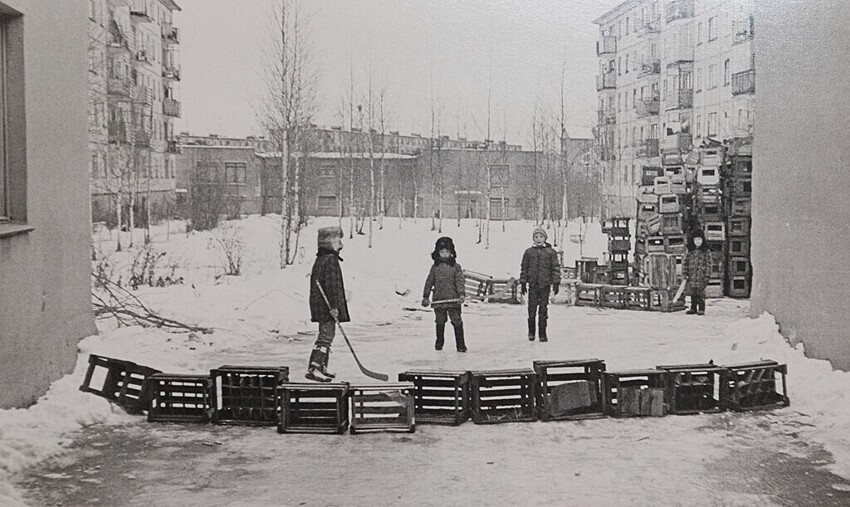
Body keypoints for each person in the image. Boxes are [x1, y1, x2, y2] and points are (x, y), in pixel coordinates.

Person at [306, 226, 348, 382]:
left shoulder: (322, 258)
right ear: (331, 241)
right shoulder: (330, 259)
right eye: (338, 239)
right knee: (325, 337)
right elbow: (332, 285)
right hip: (326, 305)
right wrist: (334, 306)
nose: (341, 243)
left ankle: (322, 366)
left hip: (321, 304)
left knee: (327, 335)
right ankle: (315, 368)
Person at [421, 237, 467, 352]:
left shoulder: (456, 267)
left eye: (447, 252)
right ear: (438, 253)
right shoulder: (435, 267)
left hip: (453, 300)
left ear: (451, 252)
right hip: (439, 300)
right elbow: (429, 281)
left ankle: (460, 345)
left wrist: (461, 294)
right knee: (440, 321)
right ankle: (439, 342)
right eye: (442, 252)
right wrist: (425, 296)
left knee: (456, 321)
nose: (445, 254)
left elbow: (460, 281)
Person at [520, 226, 561, 342]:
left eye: (541, 236)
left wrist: (556, 282)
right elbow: (524, 268)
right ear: (533, 238)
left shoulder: (550, 252)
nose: (538, 239)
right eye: (536, 237)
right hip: (533, 285)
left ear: (545, 238)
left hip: (544, 285)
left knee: (543, 310)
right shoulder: (528, 252)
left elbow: (555, 268)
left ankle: (542, 334)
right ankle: (531, 332)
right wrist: (523, 282)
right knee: (531, 310)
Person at [683, 228, 710, 315]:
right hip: (692, 276)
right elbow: (686, 262)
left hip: (701, 276)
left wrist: (707, 276)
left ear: (702, 240)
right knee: (693, 292)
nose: (697, 241)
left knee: (700, 293)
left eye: (699, 239)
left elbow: (708, 264)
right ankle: (693, 308)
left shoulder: (705, 251)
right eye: (695, 240)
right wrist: (685, 272)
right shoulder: (690, 251)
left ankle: (701, 308)